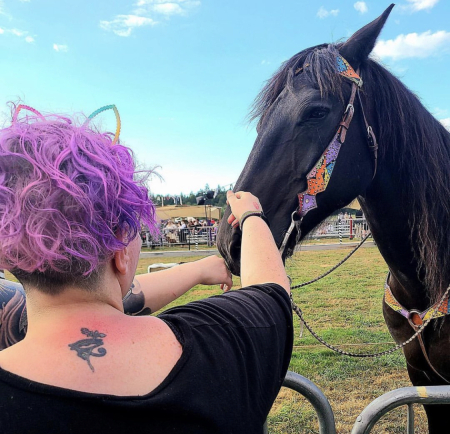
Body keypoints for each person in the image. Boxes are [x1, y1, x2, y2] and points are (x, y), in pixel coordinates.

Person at [0, 109, 292, 433]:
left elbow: (106, 300)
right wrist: (251, 214)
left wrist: (199, 269)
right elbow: (270, 289)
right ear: (121, 248)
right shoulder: (220, 342)